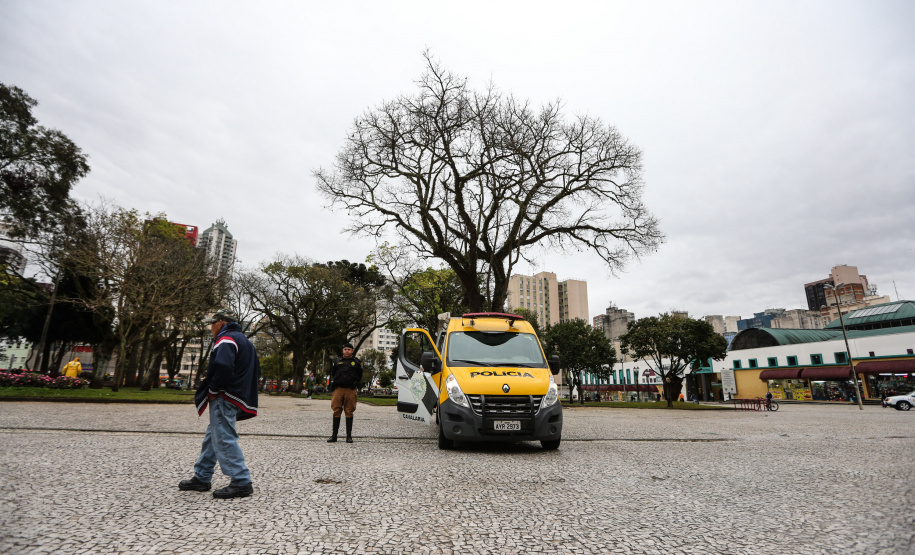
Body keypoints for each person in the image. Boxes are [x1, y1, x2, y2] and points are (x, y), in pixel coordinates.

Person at [179, 309, 260, 499]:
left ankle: (241, 481)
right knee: (213, 435)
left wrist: (214, 390)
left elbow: (223, 366)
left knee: (223, 436)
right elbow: (257, 370)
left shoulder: (226, 339)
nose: (210, 328)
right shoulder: (245, 341)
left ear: (221, 323)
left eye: (212, 323)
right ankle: (202, 476)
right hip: (237, 394)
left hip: (226, 395)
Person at [327, 342, 362, 443]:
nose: (347, 351)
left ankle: (349, 436)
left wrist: (353, 382)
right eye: (345, 349)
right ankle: (334, 436)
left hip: (350, 389)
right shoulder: (337, 361)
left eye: (349, 349)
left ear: (352, 351)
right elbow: (333, 373)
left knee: (349, 411)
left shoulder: (356, 362)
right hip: (338, 389)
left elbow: (360, 375)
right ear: (343, 350)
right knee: (336, 410)